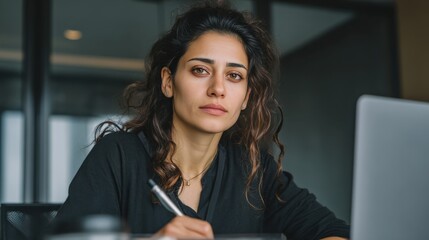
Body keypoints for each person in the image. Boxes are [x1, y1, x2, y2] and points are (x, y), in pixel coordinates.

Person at [54, 1, 350, 239]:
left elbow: (334, 233)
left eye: (234, 76)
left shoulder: (254, 170)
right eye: (200, 70)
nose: (218, 89)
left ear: (246, 97)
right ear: (168, 82)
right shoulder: (117, 156)